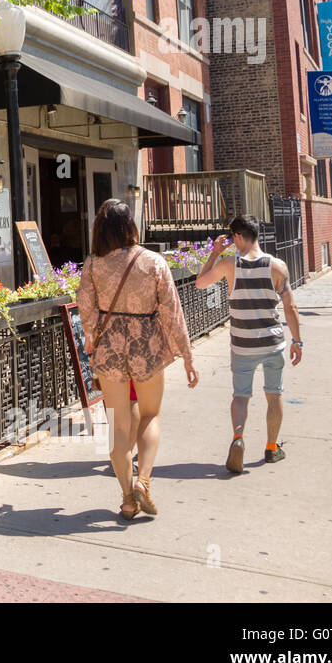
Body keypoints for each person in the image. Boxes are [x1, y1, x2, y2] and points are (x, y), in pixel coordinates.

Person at [78, 199, 199, 520]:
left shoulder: (93, 264)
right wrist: (186, 355)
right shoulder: (154, 262)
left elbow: (86, 311)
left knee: (118, 426)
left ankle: (127, 498)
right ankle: (144, 480)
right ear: (130, 225)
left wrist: (92, 338)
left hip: (110, 348)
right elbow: (172, 312)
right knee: (150, 414)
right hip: (146, 343)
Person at [196, 213, 302, 474]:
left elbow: (200, 283)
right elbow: (290, 306)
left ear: (238, 237)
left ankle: (238, 438)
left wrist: (214, 253)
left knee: (241, 396)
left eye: (233, 236)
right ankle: (272, 447)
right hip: (272, 343)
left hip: (242, 344)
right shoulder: (277, 266)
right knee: (274, 394)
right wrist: (298, 341)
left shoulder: (228, 264)